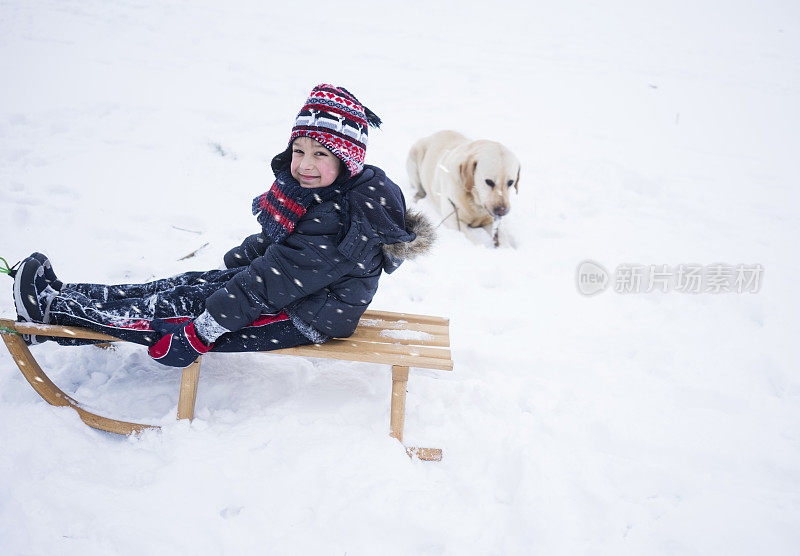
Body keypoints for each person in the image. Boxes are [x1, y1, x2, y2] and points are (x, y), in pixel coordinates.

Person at [8, 84, 435, 367]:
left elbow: (275, 281)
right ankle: (67, 296)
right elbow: (284, 244)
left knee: (178, 313)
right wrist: (244, 257)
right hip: (298, 292)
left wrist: (200, 333)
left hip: (305, 314)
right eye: (299, 149)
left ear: (347, 159)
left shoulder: (343, 217)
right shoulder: (336, 191)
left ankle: (53, 313)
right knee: (180, 286)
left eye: (320, 155)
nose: (304, 165)